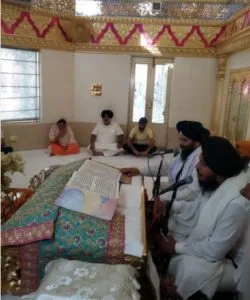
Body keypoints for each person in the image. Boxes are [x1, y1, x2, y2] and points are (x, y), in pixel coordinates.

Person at [156, 136, 249, 300]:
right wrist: (169, 206)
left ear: (219, 167)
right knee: (174, 230)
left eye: (204, 164)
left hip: (238, 266)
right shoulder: (217, 183)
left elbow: (215, 250)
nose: (197, 167)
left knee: (189, 269)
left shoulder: (237, 202)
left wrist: (176, 247)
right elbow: (196, 208)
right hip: (219, 250)